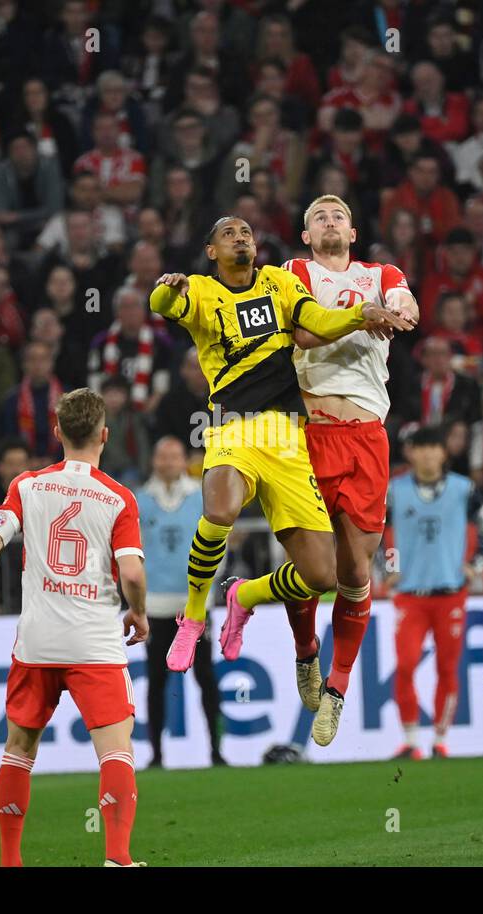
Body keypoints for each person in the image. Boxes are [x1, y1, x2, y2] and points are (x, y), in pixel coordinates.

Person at [146, 216, 408, 696]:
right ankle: (195, 615)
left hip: (289, 438)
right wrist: (167, 289)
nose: (241, 237)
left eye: (246, 231)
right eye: (228, 233)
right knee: (220, 510)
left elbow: (318, 322)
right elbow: (162, 304)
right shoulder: (202, 291)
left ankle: (244, 594)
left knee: (321, 575)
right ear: (211, 251)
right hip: (232, 427)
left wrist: (360, 314)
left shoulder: (278, 282)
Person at [0, 388, 150, 868]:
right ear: (104, 436)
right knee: (114, 748)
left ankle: (8, 860)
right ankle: (118, 858)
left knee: (20, 746)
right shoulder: (118, 497)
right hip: (94, 643)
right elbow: (130, 573)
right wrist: (139, 612)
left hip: (38, 640)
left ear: (58, 431)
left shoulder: (27, 485)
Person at [279, 194, 421, 745]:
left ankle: (336, 690)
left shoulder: (380, 274)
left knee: (354, 572)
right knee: (309, 564)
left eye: (340, 214)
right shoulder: (292, 273)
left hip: (366, 438)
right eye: (319, 216)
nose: (331, 220)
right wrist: (363, 317)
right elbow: (299, 333)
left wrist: (400, 310)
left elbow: (406, 306)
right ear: (306, 235)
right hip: (309, 434)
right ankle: (305, 651)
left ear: (354, 232)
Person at [387, 427, 483, 760]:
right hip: (410, 595)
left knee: (447, 668)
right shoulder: (395, 490)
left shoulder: (464, 489)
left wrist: (475, 565)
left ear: (443, 453)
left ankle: (440, 739)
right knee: (405, 664)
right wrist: (388, 569)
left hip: (450, 593)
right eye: (421, 448)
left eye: (434, 448)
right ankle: (410, 740)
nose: (428, 455)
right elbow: (374, 532)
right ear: (411, 453)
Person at [135, 436, 223, 768]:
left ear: (183, 460)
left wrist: (207, 590)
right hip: (156, 604)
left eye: (174, 457)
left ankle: (216, 750)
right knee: (156, 680)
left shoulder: (201, 496)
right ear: (154, 461)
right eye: (162, 456)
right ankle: (156, 754)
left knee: (206, 676)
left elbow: (219, 543)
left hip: (194, 605)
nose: (168, 463)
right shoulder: (140, 500)